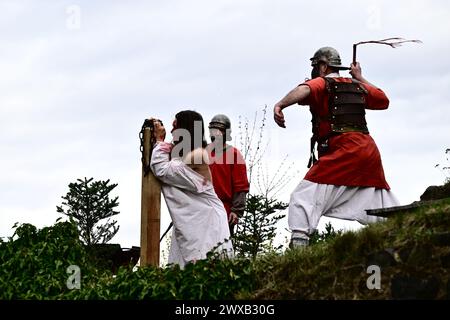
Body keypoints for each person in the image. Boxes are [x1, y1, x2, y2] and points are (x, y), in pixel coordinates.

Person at [273, 47, 400, 248]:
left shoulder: (323, 82)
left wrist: (279, 105)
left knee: (303, 197)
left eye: (316, 66)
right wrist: (360, 78)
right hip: (368, 151)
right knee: (378, 201)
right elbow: (383, 100)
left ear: (323, 66)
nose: (314, 70)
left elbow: (304, 89)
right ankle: (399, 238)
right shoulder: (358, 86)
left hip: (345, 150)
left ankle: (298, 250)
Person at [149, 110, 234, 268]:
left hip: (208, 223)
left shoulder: (198, 155)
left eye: (176, 126)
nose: (172, 130)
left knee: (209, 269)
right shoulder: (184, 154)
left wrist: (160, 141)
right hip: (190, 225)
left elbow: (163, 170)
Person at [207, 114, 250, 236]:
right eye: (214, 130)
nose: (216, 134)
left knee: (223, 249)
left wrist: (236, 211)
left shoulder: (234, 154)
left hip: (224, 209)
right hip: (203, 208)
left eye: (220, 130)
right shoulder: (204, 153)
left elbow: (241, 186)